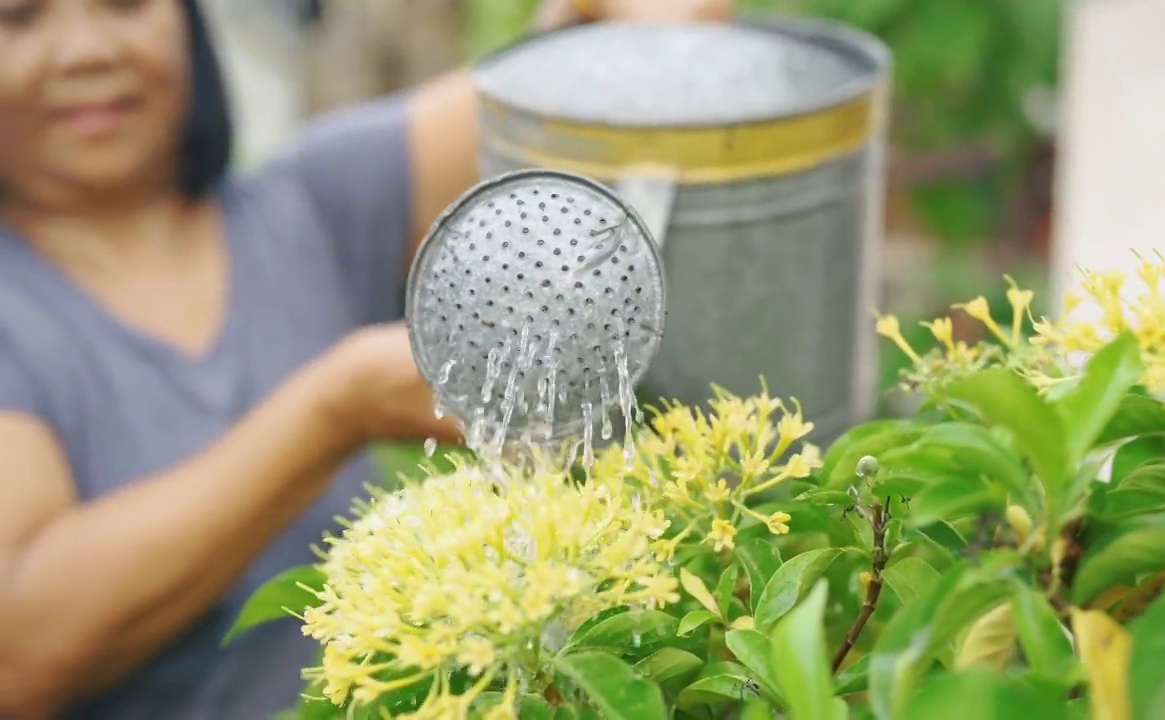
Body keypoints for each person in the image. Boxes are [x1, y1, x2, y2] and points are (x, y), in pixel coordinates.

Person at [0, 0, 730, 717]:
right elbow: (19, 653)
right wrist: (331, 409)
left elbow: (568, 78)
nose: (86, 49)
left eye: (125, 3)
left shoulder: (308, 204)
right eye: (22, 17)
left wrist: (607, 18)